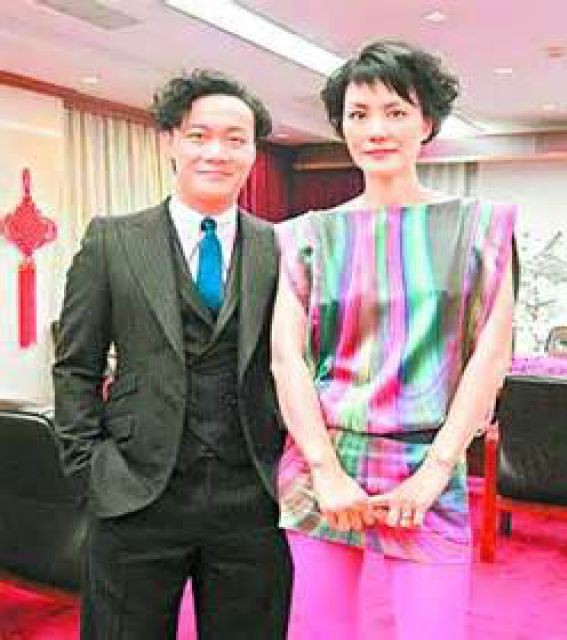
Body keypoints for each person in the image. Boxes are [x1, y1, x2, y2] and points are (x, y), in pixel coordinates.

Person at [271, 41, 516, 639]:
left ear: (427, 122)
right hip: (324, 459)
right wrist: (326, 471)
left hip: (429, 457)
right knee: (321, 630)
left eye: (395, 112)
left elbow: (490, 357)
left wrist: (436, 471)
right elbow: (287, 360)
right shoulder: (303, 236)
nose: (376, 129)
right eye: (358, 114)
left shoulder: (482, 227)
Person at [53, 70, 291, 639]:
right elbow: (76, 365)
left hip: (252, 495)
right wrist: (90, 469)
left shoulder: (281, 246)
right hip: (135, 491)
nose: (217, 152)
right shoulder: (112, 240)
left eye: (235, 139)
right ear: (170, 142)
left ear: (253, 152)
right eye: (199, 136)